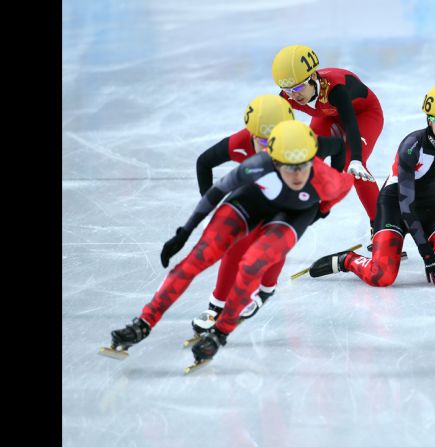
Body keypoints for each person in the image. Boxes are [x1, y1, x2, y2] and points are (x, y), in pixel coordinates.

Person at [101, 121, 354, 365]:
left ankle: (220, 332)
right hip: (252, 202)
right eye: (289, 167)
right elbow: (217, 191)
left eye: (304, 165)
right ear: (274, 161)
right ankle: (143, 322)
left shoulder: (328, 180)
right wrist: (184, 232)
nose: (298, 174)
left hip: (295, 213)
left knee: (253, 263)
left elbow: (344, 182)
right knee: (196, 259)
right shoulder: (258, 164)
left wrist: (322, 209)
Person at [189, 94, 346, 340]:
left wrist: (323, 204)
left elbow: (340, 149)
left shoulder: (301, 143)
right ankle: (216, 306)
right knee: (235, 247)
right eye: (262, 141)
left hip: (292, 199)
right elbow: (204, 163)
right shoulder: (240, 142)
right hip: (257, 196)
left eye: (275, 140)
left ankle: (265, 290)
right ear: (250, 135)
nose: (270, 148)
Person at [305, 85, 435, 288]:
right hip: (395, 206)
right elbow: (406, 203)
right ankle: (347, 260)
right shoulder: (411, 146)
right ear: (429, 120)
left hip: (431, 207)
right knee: (381, 276)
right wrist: (426, 254)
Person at [272, 44, 383, 248]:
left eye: (298, 88)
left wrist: (357, 159)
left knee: (352, 166)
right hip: (327, 116)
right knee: (306, 161)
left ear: (313, 77)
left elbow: (350, 124)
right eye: (288, 90)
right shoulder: (287, 96)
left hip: (362, 114)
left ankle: (383, 227)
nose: (294, 95)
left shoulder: (336, 89)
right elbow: (279, 129)